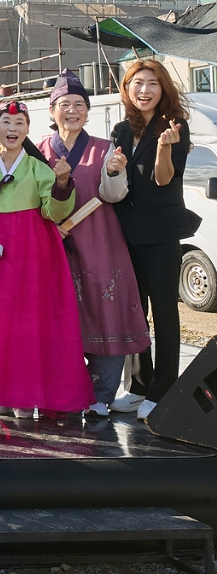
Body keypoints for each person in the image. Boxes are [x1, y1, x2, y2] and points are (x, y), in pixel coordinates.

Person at [0, 100, 93, 418]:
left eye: (19, 123)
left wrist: (62, 183)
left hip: (36, 254)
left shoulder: (38, 168)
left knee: (35, 323)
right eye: (6, 122)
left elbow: (55, 211)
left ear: (28, 130)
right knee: (0, 325)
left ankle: (33, 394)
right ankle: (3, 393)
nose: (12, 129)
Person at [37, 69, 149, 416]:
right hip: (53, 246)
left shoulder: (104, 148)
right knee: (58, 317)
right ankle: (64, 390)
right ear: (52, 111)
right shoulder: (38, 150)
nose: (72, 110)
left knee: (106, 311)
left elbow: (113, 196)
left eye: (79, 104)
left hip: (101, 243)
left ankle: (100, 394)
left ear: (88, 111)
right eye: (65, 104)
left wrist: (115, 171)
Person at [110, 59, 193, 421]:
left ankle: (163, 388)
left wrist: (163, 149)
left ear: (163, 88)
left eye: (152, 83)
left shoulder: (175, 126)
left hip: (160, 234)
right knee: (133, 310)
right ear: (127, 89)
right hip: (125, 231)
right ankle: (140, 384)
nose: (144, 90)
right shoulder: (120, 130)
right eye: (137, 83)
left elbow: (163, 180)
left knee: (163, 310)